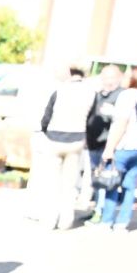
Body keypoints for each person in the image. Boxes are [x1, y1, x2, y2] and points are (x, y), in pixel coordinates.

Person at [37, 65, 94, 230]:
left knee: (52, 183)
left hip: (55, 137)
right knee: (69, 183)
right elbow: (92, 118)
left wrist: (45, 130)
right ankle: (66, 220)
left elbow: (47, 115)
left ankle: (49, 219)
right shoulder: (90, 93)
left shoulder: (60, 90)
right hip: (77, 139)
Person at [98, 65, 137, 232]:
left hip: (125, 144)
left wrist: (109, 149)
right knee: (130, 185)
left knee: (112, 182)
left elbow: (121, 123)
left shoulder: (128, 95)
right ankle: (123, 222)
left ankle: (106, 220)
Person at [84, 65, 124, 221]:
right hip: (93, 142)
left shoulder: (121, 96)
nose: (107, 81)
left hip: (107, 145)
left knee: (104, 180)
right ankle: (95, 209)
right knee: (95, 179)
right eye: (104, 77)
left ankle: (101, 212)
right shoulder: (98, 95)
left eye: (110, 77)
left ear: (118, 78)